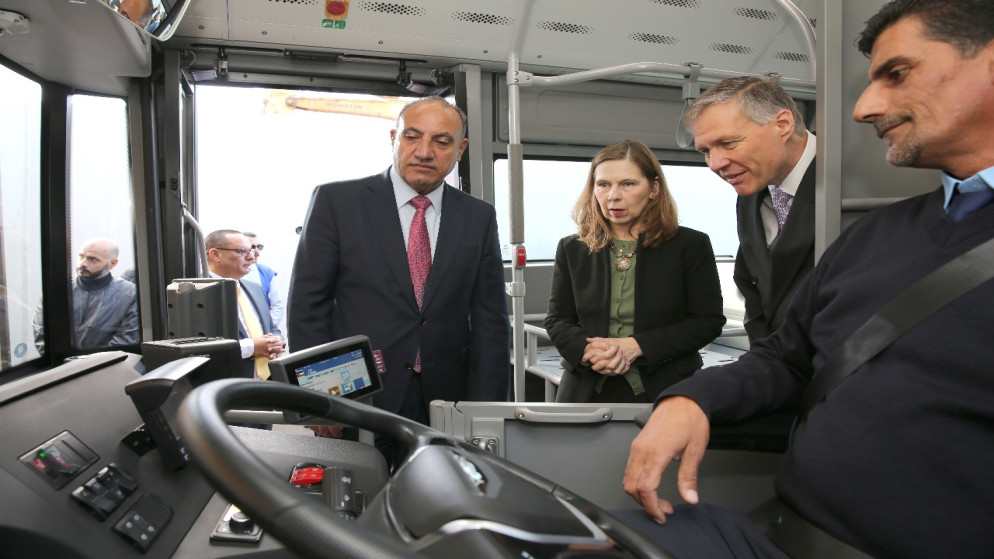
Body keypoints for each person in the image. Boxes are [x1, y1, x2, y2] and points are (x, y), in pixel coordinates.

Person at [620, 1, 994, 558]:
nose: (864, 108)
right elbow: (788, 354)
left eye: (897, 74)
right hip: (785, 525)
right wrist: (691, 399)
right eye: (706, 151)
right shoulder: (877, 234)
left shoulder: (843, 207)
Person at [288, 97, 510, 466]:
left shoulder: (478, 216)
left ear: (460, 150)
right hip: (358, 393)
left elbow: (491, 318)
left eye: (442, 141)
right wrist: (318, 396)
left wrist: (486, 407)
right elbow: (308, 306)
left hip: (446, 398)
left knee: (442, 492)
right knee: (359, 493)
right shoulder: (337, 202)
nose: (424, 152)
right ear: (394, 139)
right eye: (412, 136)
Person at [544, 140, 725, 403]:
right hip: (586, 387)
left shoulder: (690, 245)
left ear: (654, 188)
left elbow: (707, 320)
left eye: (627, 184)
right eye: (603, 184)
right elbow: (557, 320)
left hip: (667, 387)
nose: (613, 196)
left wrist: (638, 346)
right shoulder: (572, 248)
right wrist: (590, 351)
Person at [684, 76, 816, 344]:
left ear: (782, 125)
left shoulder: (856, 184)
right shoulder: (751, 192)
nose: (715, 164)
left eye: (728, 143)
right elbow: (752, 285)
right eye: (705, 151)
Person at [33, 237, 139, 352]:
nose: (82, 263)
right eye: (81, 256)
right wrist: (59, 359)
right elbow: (41, 331)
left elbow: (126, 339)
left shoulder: (130, 294)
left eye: (93, 259)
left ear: (112, 264)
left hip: (109, 362)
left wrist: (92, 361)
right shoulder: (56, 290)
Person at [205, 230, 285, 380]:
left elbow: (272, 328)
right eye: (242, 251)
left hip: (267, 381)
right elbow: (200, 349)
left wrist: (276, 341)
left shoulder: (255, 289)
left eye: (252, 251)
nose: (251, 257)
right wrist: (250, 348)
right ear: (215, 255)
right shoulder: (197, 294)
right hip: (227, 384)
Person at [242, 232, 285, 331]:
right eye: (252, 247)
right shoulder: (229, 272)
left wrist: (266, 328)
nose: (257, 252)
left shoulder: (267, 273)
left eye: (259, 247)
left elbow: (277, 305)